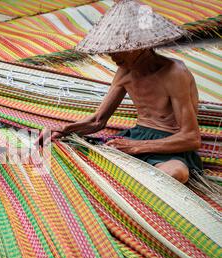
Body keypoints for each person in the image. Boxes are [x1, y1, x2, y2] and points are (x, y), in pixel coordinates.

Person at [37, 0, 202, 183]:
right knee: (77, 155)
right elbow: (98, 121)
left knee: (177, 173)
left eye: (119, 49)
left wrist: (137, 147)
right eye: (110, 50)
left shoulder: (175, 73)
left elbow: (191, 138)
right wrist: (64, 129)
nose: (113, 56)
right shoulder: (125, 71)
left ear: (142, 45)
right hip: (137, 136)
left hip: (169, 145)